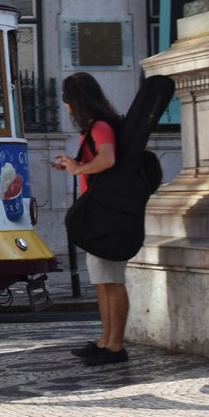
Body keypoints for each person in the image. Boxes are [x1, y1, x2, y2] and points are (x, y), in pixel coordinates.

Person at [52, 72, 127, 366]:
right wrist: (78, 165)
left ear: (74, 100)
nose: (64, 104)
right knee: (102, 280)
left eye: (65, 98)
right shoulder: (95, 127)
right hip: (98, 211)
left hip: (106, 214)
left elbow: (107, 160)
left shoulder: (101, 127)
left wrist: (79, 170)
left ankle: (116, 346)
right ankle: (105, 340)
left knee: (112, 280)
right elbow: (100, 163)